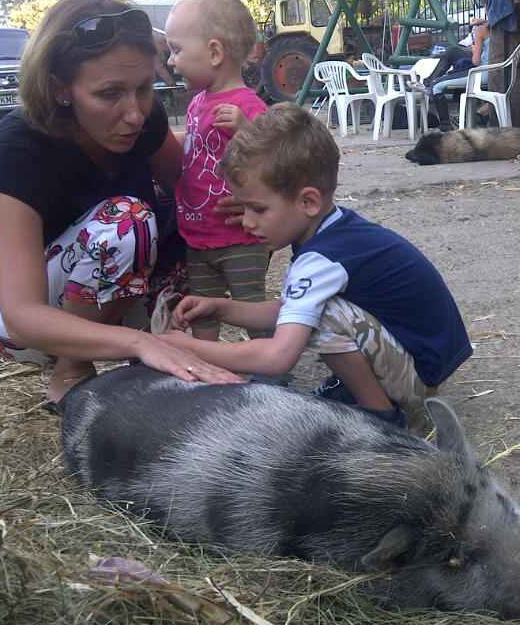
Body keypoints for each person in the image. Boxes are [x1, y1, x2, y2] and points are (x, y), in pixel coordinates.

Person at [0, 0, 242, 411]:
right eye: (109, 93)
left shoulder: (142, 119)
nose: (134, 114)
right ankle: (70, 373)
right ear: (61, 89)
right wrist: (141, 340)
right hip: (25, 324)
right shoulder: (14, 151)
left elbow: (192, 196)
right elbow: (22, 312)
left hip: (123, 291)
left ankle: (155, 363)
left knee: (193, 229)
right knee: (128, 222)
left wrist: (250, 209)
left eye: (143, 89)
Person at [163, 103, 473, 429]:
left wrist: (188, 348)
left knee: (324, 314)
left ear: (308, 202)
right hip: (421, 356)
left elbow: (279, 356)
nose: (247, 222)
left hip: (418, 375)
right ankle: (365, 395)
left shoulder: (320, 260)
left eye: (257, 209)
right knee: (314, 310)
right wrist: (222, 309)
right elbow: (291, 309)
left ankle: (382, 419)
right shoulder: (337, 230)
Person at [164, 0, 271, 341]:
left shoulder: (248, 105)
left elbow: (280, 160)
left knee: (251, 306)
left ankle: (272, 373)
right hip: (198, 235)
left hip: (240, 237)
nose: (171, 61)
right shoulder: (197, 102)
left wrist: (245, 131)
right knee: (201, 310)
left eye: (176, 50)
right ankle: (208, 369)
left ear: (214, 53)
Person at [425, 19, 490, 131]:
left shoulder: (482, 30)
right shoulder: (503, 27)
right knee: (453, 53)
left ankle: (446, 125)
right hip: (497, 72)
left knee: (436, 86)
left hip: (483, 73)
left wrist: (475, 50)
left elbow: (476, 61)